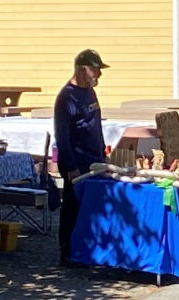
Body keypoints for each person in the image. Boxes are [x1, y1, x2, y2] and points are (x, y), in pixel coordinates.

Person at [53, 49, 108, 267]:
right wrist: (71, 166)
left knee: (93, 208)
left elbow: (96, 126)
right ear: (81, 69)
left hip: (95, 159)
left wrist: (103, 153)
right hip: (77, 162)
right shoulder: (67, 97)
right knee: (72, 208)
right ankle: (67, 252)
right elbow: (62, 136)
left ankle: (89, 249)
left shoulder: (90, 93)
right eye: (95, 69)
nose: (99, 75)